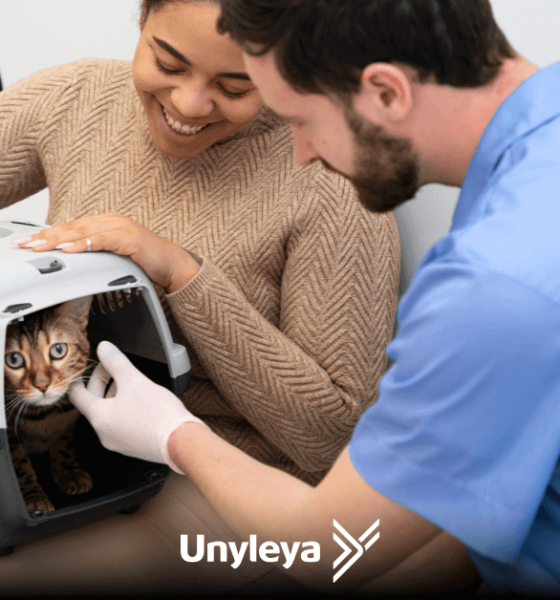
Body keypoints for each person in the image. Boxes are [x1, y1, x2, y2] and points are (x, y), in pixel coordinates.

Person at [25, 0, 559, 596]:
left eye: (300, 120)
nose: (301, 153)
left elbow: (329, 550)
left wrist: (172, 432)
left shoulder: (495, 288)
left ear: (386, 92)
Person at [0, 0, 401, 596]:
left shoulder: (336, 183)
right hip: (53, 432)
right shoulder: (80, 98)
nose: (190, 105)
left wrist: (182, 274)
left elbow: (333, 437)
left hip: (225, 479)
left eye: (236, 86)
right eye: (168, 62)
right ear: (143, 19)